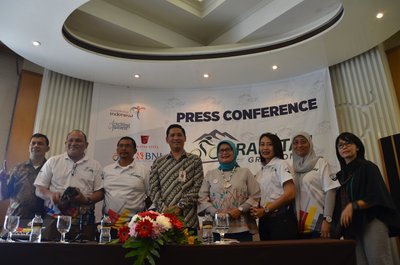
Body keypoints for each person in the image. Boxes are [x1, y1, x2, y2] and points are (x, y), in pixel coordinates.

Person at [332, 132, 400, 265]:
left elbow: (376, 195)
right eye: (340, 145)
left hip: (372, 220)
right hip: (352, 227)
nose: (344, 147)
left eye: (348, 143)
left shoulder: (368, 167)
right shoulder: (340, 176)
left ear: (357, 147)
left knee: (378, 261)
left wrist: (353, 206)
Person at [34, 130, 104, 241]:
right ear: (66, 143)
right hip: (53, 219)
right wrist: (51, 195)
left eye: (78, 140)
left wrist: (86, 199)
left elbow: (100, 192)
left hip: (83, 221)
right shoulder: (53, 161)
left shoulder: (95, 165)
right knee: (48, 255)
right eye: (70, 140)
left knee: (84, 255)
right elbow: (39, 189)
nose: (74, 143)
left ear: (86, 145)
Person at [198, 140, 260, 242]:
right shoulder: (210, 174)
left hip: (242, 228)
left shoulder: (245, 172)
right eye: (221, 150)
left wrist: (240, 209)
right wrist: (216, 213)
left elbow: (255, 195)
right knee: (219, 258)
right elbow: (202, 198)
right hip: (216, 229)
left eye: (228, 149)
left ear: (234, 152)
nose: (224, 152)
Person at [149, 124, 204, 231]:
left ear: (185, 138)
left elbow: (198, 187)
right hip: (164, 220)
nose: (176, 138)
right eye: (172, 135)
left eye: (179, 135)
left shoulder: (194, 160)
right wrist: (164, 209)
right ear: (167, 139)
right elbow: (153, 189)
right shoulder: (159, 162)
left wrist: (180, 206)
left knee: (188, 248)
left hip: (188, 219)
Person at [291, 132, 340, 239]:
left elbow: (331, 191)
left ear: (310, 144)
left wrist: (327, 219)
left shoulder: (321, 163)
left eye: (303, 142)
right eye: (295, 142)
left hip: (318, 223)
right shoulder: (290, 167)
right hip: (297, 225)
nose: (299, 145)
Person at [250, 133, 297, 240]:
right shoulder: (260, 171)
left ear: (276, 147)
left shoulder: (281, 164)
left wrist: (266, 209)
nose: (265, 148)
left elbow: (290, 193)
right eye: (262, 144)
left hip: (281, 219)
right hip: (264, 220)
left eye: (269, 144)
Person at [103, 136, 150, 236]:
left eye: (128, 146)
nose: (124, 148)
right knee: (107, 251)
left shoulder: (144, 171)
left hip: (134, 224)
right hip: (109, 223)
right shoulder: (106, 170)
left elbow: (151, 195)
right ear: (117, 150)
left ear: (135, 150)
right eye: (121, 146)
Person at [0, 133, 50, 220]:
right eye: (33, 143)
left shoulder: (51, 169)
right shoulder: (17, 168)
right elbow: (4, 195)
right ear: (29, 147)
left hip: (40, 220)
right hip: (15, 218)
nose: (36, 145)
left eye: (40, 143)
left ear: (47, 148)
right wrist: (3, 181)